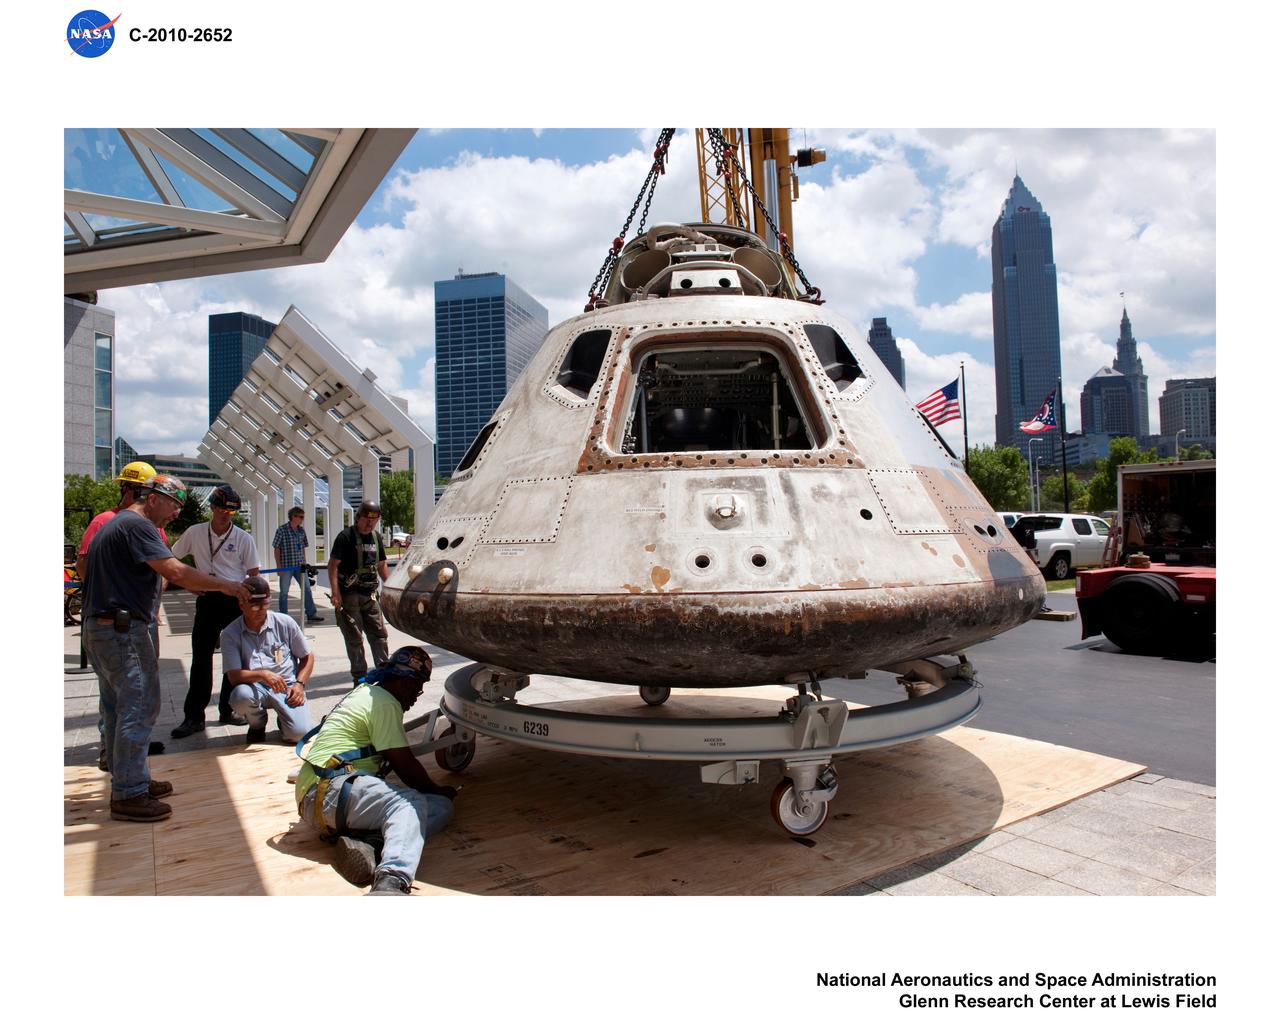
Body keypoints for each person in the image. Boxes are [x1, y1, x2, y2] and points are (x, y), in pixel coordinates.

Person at [82, 474, 251, 822]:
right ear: (155, 498)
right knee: (139, 705)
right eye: (174, 506)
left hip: (102, 628)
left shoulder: (119, 524)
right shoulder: (138, 526)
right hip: (121, 631)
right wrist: (229, 586)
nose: (176, 514)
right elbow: (176, 571)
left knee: (115, 706)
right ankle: (129, 793)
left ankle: (129, 778)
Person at [296, 646, 456, 894]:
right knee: (409, 804)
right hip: (330, 791)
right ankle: (391, 880)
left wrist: (438, 797)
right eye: (416, 687)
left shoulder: (367, 692)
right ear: (403, 682)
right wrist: (438, 789)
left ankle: (371, 844)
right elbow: (405, 765)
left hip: (318, 798)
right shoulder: (384, 703)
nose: (416, 696)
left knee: (439, 808)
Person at [78, 460, 168, 766]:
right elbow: (84, 565)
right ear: (133, 490)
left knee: (135, 691)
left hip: (140, 617)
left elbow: (160, 566)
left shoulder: (149, 525)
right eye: (147, 491)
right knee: (127, 698)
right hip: (118, 620)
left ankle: (130, 759)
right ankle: (116, 757)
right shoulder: (107, 522)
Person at [169, 485, 262, 738]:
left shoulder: (243, 538)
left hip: (233, 600)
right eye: (221, 509)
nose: (224, 515)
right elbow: (171, 559)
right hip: (207, 599)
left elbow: (253, 574)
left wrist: (253, 607)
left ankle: (227, 709)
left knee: (233, 658)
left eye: (230, 512)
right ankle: (193, 717)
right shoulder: (196, 532)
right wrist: (188, 583)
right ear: (211, 507)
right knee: (201, 658)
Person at [222, 575, 315, 744]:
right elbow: (234, 676)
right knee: (239, 696)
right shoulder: (230, 633)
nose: (260, 611)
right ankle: (257, 724)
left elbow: (307, 657)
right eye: (254, 606)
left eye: (264, 605)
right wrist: (263, 675)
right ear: (241, 604)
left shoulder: (285, 622)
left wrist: (299, 684)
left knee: (299, 734)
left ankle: (285, 719)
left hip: (287, 686)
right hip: (255, 688)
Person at [328, 500, 390, 684]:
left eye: (374, 519)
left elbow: (381, 565)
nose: (370, 523)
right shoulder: (345, 537)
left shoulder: (376, 538)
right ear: (358, 517)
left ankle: (383, 671)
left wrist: (392, 584)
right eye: (366, 519)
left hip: (370, 596)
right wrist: (335, 593)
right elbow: (333, 566)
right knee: (354, 637)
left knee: (379, 634)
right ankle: (359, 676)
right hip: (349, 596)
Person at [272, 506, 323, 623]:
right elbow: (276, 548)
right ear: (293, 516)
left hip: (300, 566)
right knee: (284, 592)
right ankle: (283, 616)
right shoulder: (282, 530)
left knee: (307, 590)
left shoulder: (301, 531)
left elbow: (303, 548)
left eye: (303, 517)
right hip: (286, 566)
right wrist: (279, 567)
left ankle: (311, 614)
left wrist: (305, 563)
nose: (302, 519)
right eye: (300, 517)